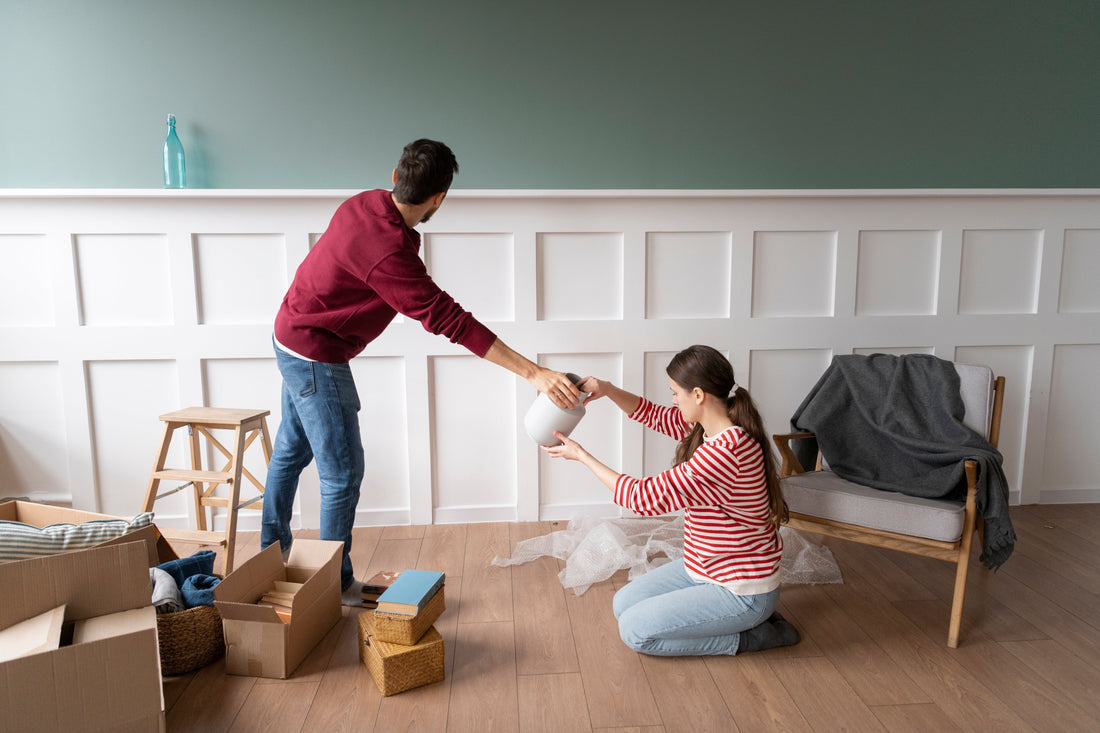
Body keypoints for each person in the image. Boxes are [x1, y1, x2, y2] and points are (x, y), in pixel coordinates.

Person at [262, 139, 581, 605]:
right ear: (440, 198)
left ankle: (273, 555)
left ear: (395, 176)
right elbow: (450, 320)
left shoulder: (364, 203)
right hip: (315, 354)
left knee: (291, 450)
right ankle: (333, 586)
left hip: (290, 333)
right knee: (342, 472)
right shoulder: (389, 253)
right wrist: (532, 373)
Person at [542, 345, 801, 656]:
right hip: (705, 569)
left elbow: (641, 498)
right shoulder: (717, 424)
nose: (674, 400)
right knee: (622, 604)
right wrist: (607, 390)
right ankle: (735, 621)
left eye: (676, 393)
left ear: (698, 395)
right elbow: (654, 415)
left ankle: (752, 636)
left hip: (741, 591)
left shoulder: (726, 452)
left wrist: (581, 455)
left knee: (635, 632)